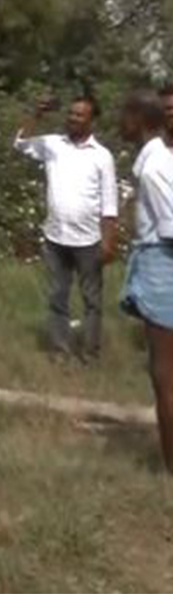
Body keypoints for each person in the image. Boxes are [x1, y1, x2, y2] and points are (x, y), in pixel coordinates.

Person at [14, 94, 118, 361]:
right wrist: (36, 113)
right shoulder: (53, 144)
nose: (73, 118)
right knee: (57, 298)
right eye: (70, 113)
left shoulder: (102, 156)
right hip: (56, 238)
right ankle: (60, 351)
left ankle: (90, 354)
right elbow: (20, 143)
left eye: (80, 115)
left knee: (92, 302)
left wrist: (108, 242)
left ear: (91, 120)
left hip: (89, 241)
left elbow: (109, 204)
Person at [115, 90, 173, 472]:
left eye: (125, 115)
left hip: (163, 264)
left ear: (139, 119)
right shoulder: (158, 162)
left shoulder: (155, 168)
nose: (120, 123)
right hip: (157, 260)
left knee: (164, 373)